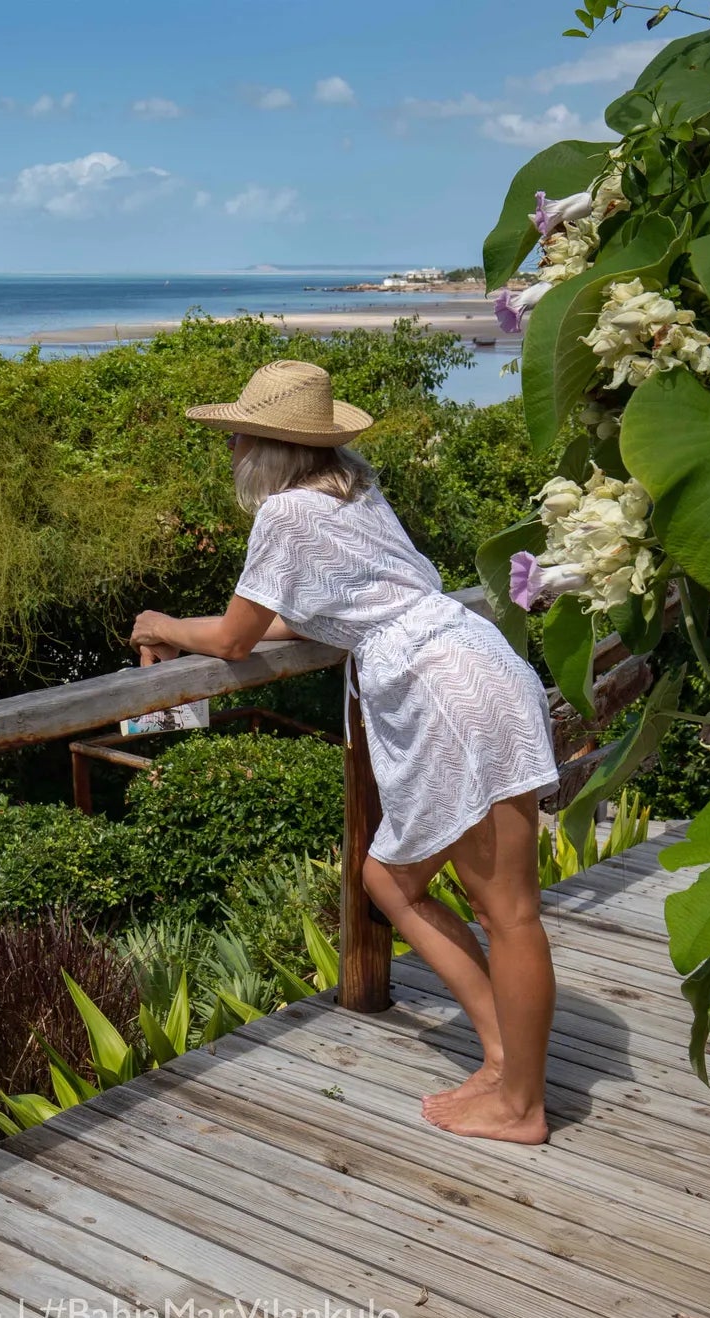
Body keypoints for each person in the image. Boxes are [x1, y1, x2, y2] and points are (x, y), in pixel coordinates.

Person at [128, 359, 560, 1145]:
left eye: (235, 437)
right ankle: (506, 1059)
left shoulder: (285, 514)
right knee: (390, 879)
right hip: (477, 660)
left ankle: (522, 1102)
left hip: (443, 689)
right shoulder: (353, 487)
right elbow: (327, 612)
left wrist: (161, 624)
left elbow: (232, 639)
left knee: (509, 909)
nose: (227, 451)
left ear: (264, 446)